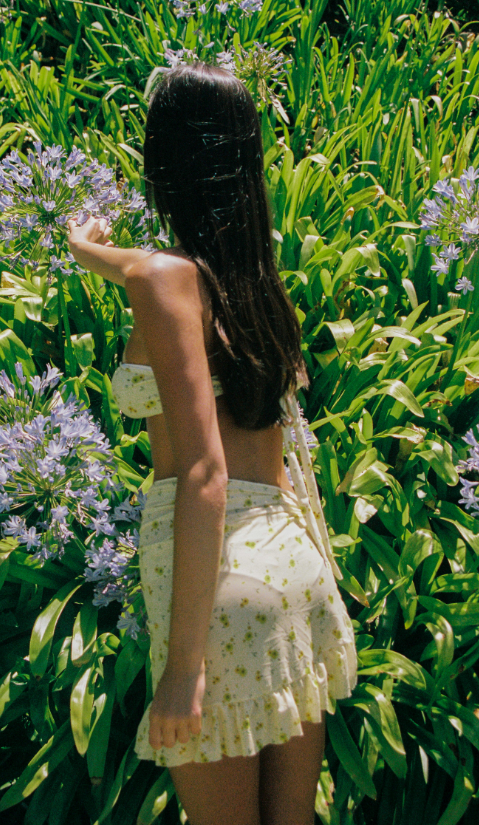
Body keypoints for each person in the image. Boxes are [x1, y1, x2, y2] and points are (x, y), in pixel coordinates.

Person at [66, 62, 357, 825]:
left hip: (216, 582)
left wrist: (184, 669)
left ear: (164, 162)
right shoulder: (252, 280)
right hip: (294, 573)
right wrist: (90, 251)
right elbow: (154, 274)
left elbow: (201, 471)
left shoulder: (165, 283)